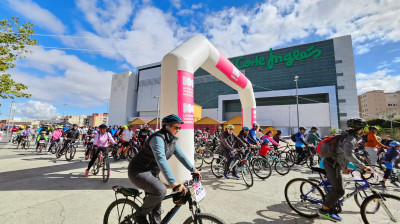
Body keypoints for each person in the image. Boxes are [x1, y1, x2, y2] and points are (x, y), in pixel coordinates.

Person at [128, 115, 201, 224]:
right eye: (176, 127)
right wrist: (173, 183)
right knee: (160, 190)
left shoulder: (171, 140)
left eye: (179, 128)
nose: (178, 130)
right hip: (139, 171)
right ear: (166, 127)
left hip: (152, 173)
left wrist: (193, 169)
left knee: (157, 205)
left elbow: (180, 155)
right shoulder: (157, 138)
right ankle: (139, 214)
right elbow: (161, 159)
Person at [318, 118, 373, 222]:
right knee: (339, 191)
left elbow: (341, 154)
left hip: (334, 163)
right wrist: (363, 167)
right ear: (360, 129)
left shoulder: (346, 135)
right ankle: (324, 211)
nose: (363, 130)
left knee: (337, 187)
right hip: (332, 164)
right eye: (363, 128)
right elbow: (348, 154)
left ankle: (330, 202)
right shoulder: (350, 138)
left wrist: (345, 168)